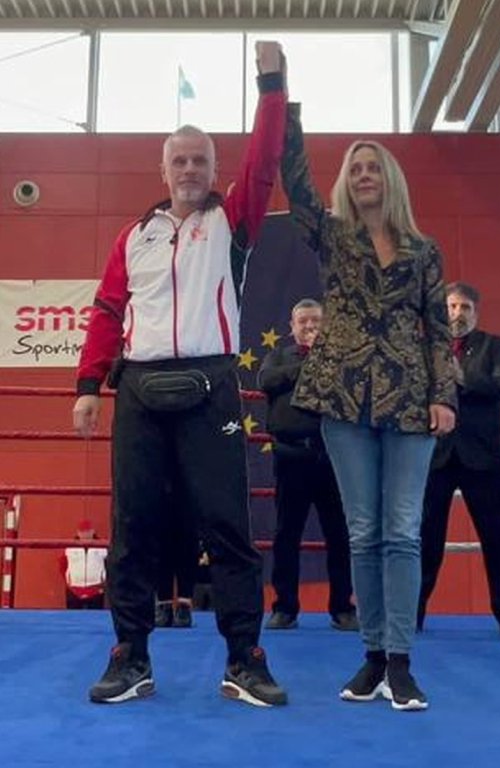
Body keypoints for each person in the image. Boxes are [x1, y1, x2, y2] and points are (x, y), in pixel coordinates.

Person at [72, 41, 288, 707]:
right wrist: (88, 386)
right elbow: (108, 309)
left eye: (200, 160)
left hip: (209, 386)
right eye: (180, 160)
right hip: (138, 389)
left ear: (215, 170)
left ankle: (244, 659)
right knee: (132, 529)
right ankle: (129, 656)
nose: (190, 169)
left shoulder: (233, 222)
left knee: (227, 527)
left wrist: (272, 87)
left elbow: (264, 162)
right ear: (163, 169)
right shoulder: (133, 236)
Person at [281, 102, 456, 711]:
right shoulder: (333, 236)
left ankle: (401, 662)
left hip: (410, 400)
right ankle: (373, 656)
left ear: (391, 179)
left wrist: (443, 395)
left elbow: (438, 329)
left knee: (402, 531)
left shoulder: (424, 250)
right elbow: (296, 186)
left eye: (372, 167)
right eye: (354, 169)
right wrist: (281, 100)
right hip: (343, 396)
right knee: (363, 533)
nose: (362, 176)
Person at [418, 282, 500, 639]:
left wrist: (461, 377)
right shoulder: (425, 348)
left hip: (484, 456)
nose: (457, 314)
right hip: (435, 455)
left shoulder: (495, 346)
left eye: (464, 307)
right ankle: (410, 615)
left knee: (498, 539)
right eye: (452, 307)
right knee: (423, 539)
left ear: (475, 313)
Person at [258, 298, 357, 631]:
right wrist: (308, 363)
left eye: (316, 321)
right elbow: (266, 381)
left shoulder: (341, 357)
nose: (310, 327)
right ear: (292, 326)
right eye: (304, 322)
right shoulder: (278, 357)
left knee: (339, 534)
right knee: (287, 533)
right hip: (291, 456)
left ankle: (343, 607)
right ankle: (285, 607)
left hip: (333, 457)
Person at [154, 473, 200, 629]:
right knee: (160, 541)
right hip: (159, 480)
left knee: (188, 541)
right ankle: (163, 604)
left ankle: (184, 604)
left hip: (189, 480)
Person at [59, 520, 107, 610]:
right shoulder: (69, 547)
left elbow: (109, 565)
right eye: (82, 532)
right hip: (74, 590)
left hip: (96, 590)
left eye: (88, 532)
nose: (85, 535)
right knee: (73, 617)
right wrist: (69, 580)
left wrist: (104, 581)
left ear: (93, 531)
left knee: (95, 616)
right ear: (78, 533)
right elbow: (63, 565)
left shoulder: (103, 546)